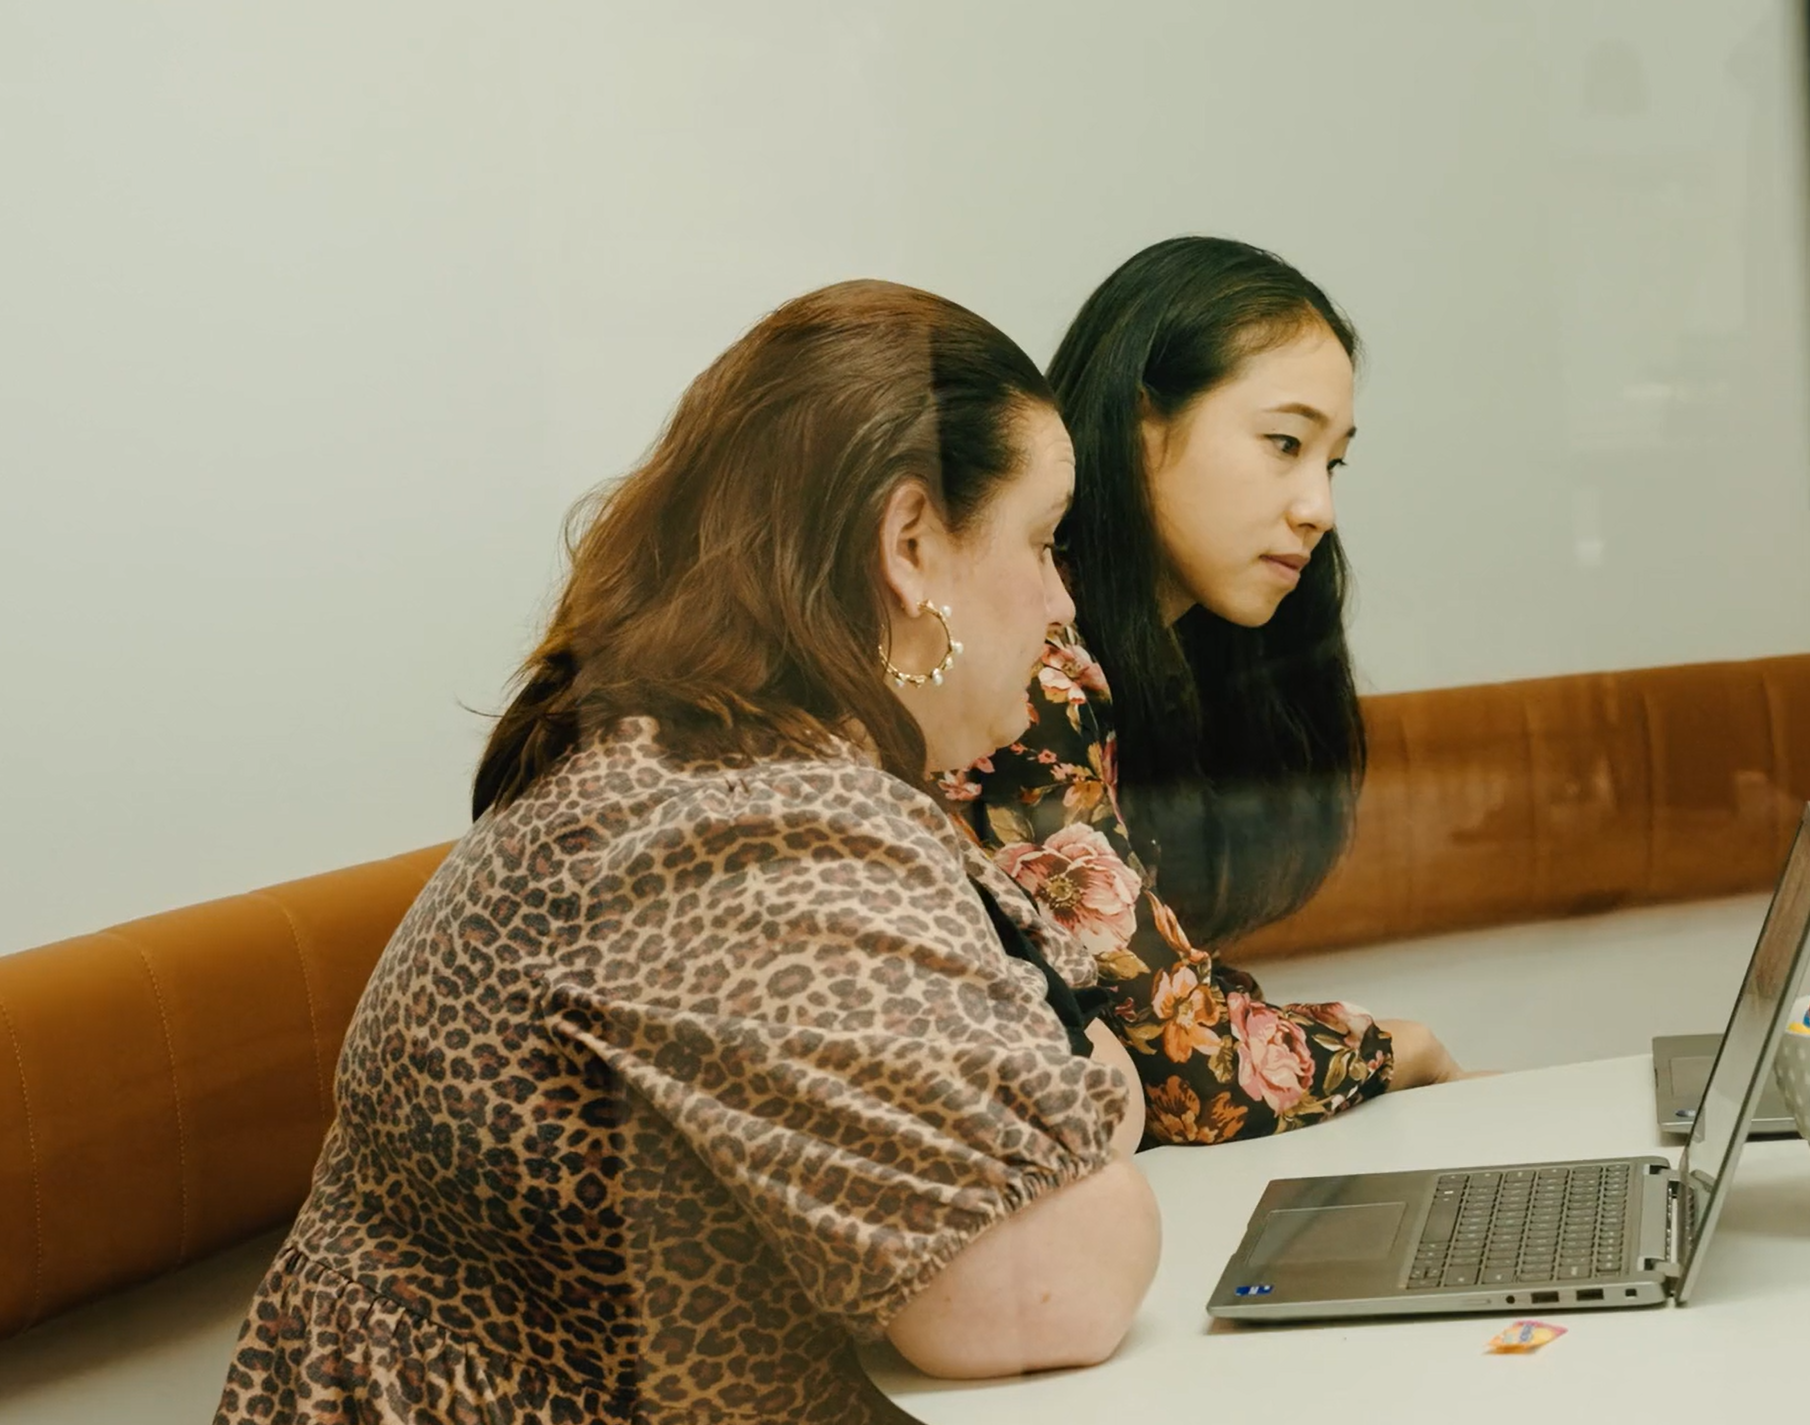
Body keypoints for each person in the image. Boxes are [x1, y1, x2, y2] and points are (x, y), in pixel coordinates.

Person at [215, 280, 1158, 1425]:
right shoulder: (748, 834)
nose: (1063, 602)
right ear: (910, 545)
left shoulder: (705, 767)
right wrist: (1091, 1121)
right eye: (1045, 542)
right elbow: (1036, 1296)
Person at [951, 237, 1466, 1149]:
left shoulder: (1140, 657)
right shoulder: (1023, 656)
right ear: (1140, 418)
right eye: (1283, 443)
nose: (1318, 507)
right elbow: (1192, 1073)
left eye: (1332, 462)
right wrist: (1401, 1047)